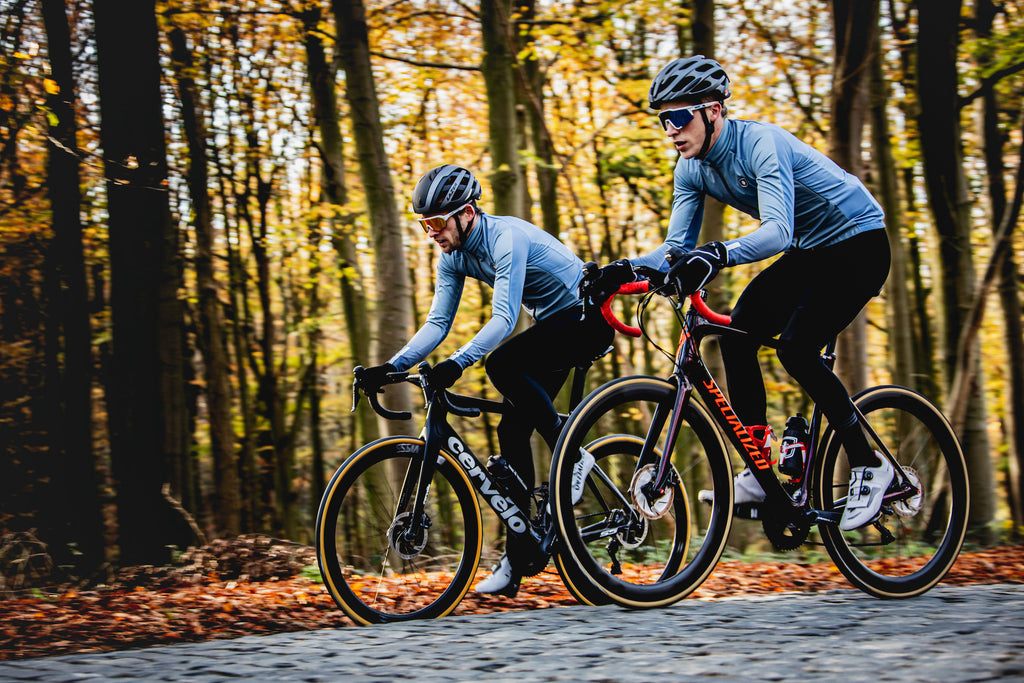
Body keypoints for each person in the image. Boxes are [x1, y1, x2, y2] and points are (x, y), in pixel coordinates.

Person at [610, 55, 892, 531]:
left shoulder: (761, 143)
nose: (671, 131)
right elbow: (675, 248)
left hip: (860, 242)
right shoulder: (690, 168)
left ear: (713, 110)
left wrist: (716, 254)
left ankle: (871, 465)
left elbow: (778, 232)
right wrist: (621, 270)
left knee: (797, 348)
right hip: (814, 250)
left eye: (680, 117)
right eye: (664, 120)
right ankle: (760, 468)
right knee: (737, 335)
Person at [358, 164, 615, 596]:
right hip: (551, 325)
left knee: (501, 365)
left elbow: (504, 318)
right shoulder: (452, 256)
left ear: (467, 212)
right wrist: (390, 367)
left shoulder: (505, 237)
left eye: (438, 222)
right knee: (511, 429)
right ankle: (520, 557)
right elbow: (437, 322)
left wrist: (457, 363)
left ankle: (572, 455)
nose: (432, 233)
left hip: (585, 319)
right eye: (425, 225)